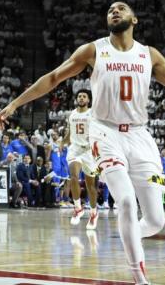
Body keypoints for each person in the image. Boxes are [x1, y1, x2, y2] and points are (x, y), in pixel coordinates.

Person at [0, 2, 165, 285]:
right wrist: (14, 105)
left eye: (122, 9)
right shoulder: (93, 50)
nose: (115, 11)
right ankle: (140, 279)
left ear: (134, 20)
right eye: (110, 10)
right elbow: (53, 78)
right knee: (125, 201)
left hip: (140, 135)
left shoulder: (148, 54)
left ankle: (128, 236)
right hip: (105, 133)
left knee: (155, 221)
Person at [65, 90, 99, 229]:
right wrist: (62, 143)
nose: (81, 98)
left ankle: (93, 212)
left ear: (88, 100)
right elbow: (69, 132)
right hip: (75, 149)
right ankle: (78, 208)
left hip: (89, 151)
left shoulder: (93, 114)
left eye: (84, 96)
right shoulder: (72, 114)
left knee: (91, 186)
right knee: (73, 176)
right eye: (79, 96)